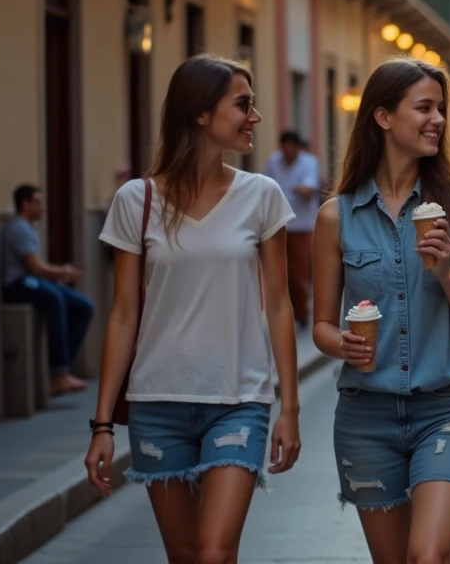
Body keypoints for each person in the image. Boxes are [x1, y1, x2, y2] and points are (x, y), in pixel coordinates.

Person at [85, 54, 301, 564]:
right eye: (243, 105)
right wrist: (102, 425)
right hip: (156, 404)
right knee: (185, 556)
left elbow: (278, 305)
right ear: (201, 113)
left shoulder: (262, 196)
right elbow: (123, 314)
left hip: (239, 400)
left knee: (214, 551)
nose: (255, 117)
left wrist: (289, 408)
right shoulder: (135, 200)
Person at [311, 58, 450, 561]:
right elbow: (321, 325)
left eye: (441, 109)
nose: (438, 120)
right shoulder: (336, 217)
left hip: (444, 411)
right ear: (383, 116)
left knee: (429, 555)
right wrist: (342, 343)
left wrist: (446, 272)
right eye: (424, 108)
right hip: (364, 418)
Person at [1, 184, 94, 395]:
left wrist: (58, 276)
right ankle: (58, 374)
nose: (42, 207)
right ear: (25, 204)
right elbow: (35, 267)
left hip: (32, 281)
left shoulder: (27, 227)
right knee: (54, 297)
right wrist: (61, 271)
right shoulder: (18, 228)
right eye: (37, 202)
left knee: (84, 307)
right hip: (20, 283)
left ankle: (64, 367)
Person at [265, 129, 322, 328]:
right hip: (277, 224)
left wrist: (304, 190)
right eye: (285, 147)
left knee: (299, 273)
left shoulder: (309, 162)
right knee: (280, 272)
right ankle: (284, 311)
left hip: (301, 225)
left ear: (297, 147)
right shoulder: (273, 161)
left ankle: (301, 313)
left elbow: (311, 186)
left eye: (291, 147)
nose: (287, 150)